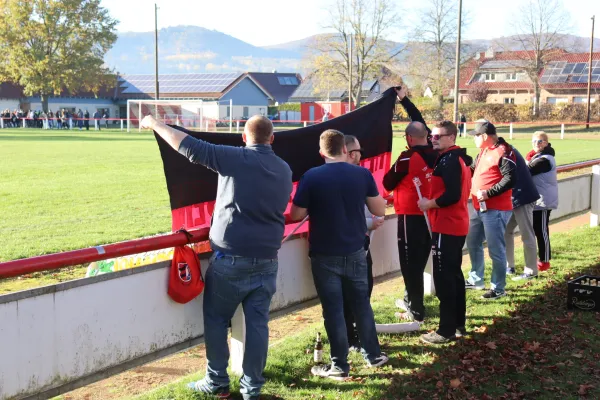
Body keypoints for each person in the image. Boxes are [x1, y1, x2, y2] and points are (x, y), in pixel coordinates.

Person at [140, 114, 292, 400]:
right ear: (272, 139)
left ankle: (217, 381)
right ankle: (252, 388)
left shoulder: (236, 158)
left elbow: (189, 147)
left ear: (244, 138)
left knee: (216, 320)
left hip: (231, 259)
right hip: (268, 260)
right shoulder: (283, 168)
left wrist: (155, 124)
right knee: (258, 325)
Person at [291, 129, 389, 380]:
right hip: (355, 249)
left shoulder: (311, 176)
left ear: (322, 152)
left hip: (324, 253)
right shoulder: (361, 173)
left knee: (333, 310)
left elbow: (296, 215)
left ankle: (340, 365)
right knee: (361, 305)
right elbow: (379, 208)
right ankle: (373, 355)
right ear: (345, 150)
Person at [383, 86, 438, 324]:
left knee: (409, 264)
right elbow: (420, 123)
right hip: (431, 215)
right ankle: (411, 301)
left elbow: (387, 182)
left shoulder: (406, 158)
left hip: (409, 216)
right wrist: (405, 101)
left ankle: (416, 310)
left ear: (408, 139)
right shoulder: (438, 152)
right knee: (421, 259)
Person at [417, 121, 472, 344]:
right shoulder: (454, 158)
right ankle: (457, 324)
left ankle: (446, 330)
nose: (433, 139)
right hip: (454, 224)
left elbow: (452, 195)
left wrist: (429, 204)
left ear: (452, 137)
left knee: (444, 278)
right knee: (454, 275)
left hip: (447, 225)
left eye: (438, 136)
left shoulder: (450, 160)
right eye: (432, 136)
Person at [342, 134, 384, 350]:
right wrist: (370, 222)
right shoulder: (359, 175)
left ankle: (354, 338)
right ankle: (352, 340)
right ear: (349, 153)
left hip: (355, 244)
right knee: (353, 296)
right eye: (359, 151)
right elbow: (348, 216)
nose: (361, 155)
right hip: (352, 245)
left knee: (359, 293)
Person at [466, 120, 516, 300]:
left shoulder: (503, 151)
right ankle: (476, 279)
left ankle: (498, 288)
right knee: (472, 242)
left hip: (495, 209)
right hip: (479, 207)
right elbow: (473, 170)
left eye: (476, 136)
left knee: (496, 250)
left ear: (485, 136)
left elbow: (510, 178)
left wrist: (489, 193)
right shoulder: (485, 150)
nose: (474, 140)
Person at [505, 147, 540, 281]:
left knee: (526, 233)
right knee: (506, 230)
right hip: (516, 197)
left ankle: (531, 270)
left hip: (522, 197)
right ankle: (509, 266)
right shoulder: (503, 149)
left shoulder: (504, 151)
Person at [526, 131, 558, 272]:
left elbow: (527, 171)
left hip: (543, 201)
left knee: (541, 231)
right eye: (534, 141)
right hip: (537, 200)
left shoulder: (545, 159)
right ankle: (540, 260)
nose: (536, 144)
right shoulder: (537, 157)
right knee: (537, 230)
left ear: (545, 143)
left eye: (539, 141)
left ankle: (545, 261)